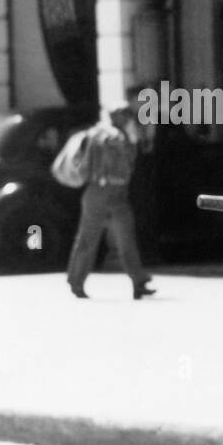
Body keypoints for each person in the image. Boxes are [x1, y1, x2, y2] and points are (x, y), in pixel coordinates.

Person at [66, 99, 154, 300]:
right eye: (127, 115)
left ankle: (138, 281)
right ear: (119, 117)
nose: (130, 118)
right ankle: (76, 281)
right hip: (102, 192)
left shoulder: (109, 134)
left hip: (114, 193)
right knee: (91, 238)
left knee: (125, 238)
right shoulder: (109, 136)